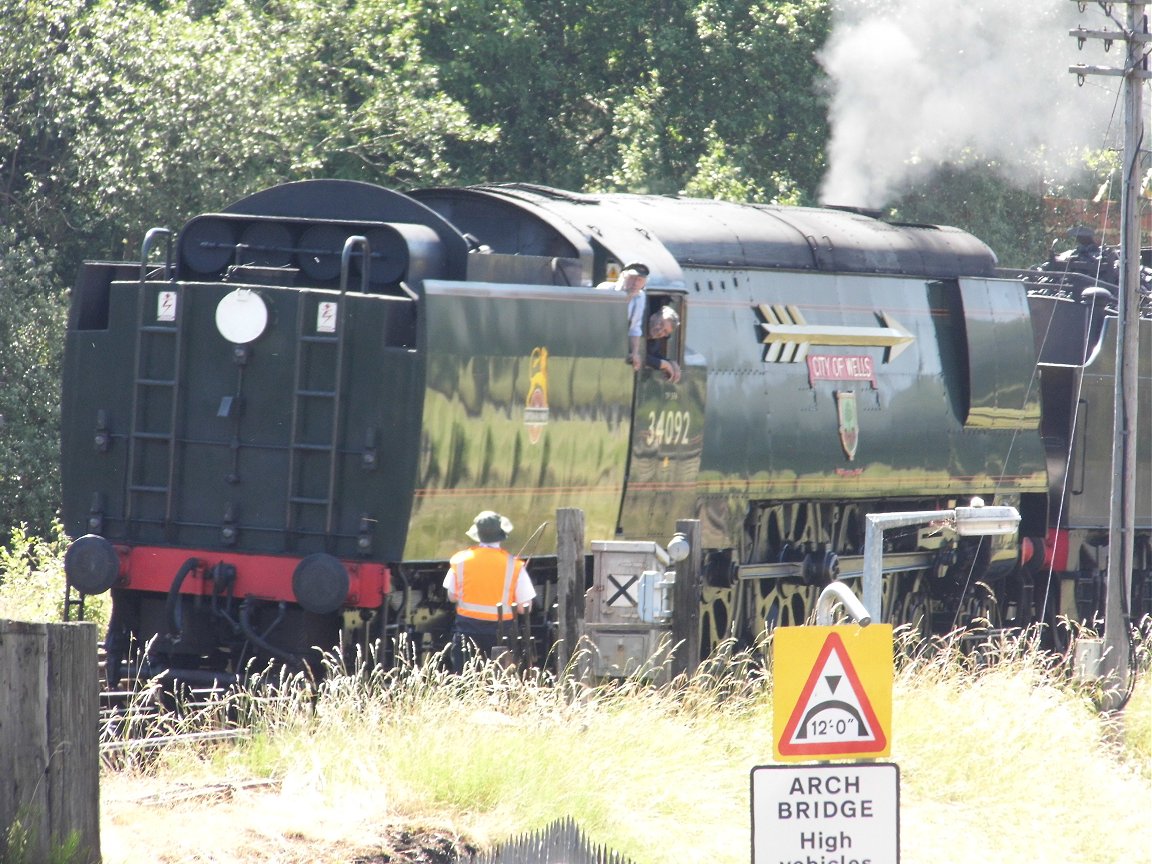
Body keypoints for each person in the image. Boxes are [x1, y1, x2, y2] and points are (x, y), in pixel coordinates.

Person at [443, 510, 535, 670]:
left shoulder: (460, 561)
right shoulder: (514, 565)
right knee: (498, 685)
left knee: (465, 684)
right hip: (501, 636)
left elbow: (452, 596)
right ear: (501, 535)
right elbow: (524, 608)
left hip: (466, 632)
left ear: (477, 534)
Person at [645, 306, 681, 383]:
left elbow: (655, 356)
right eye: (661, 324)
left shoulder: (655, 342)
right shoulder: (637, 330)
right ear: (653, 317)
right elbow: (637, 355)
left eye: (665, 332)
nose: (660, 331)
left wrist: (671, 362)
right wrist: (664, 364)